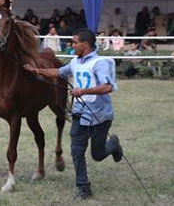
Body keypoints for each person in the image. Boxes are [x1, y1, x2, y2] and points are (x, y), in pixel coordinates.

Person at [23, 29, 123, 200]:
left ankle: (113, 145)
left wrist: (83, 91)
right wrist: (36, 70)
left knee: (97, 155)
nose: (72, 45)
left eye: (75, 42)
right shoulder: (75, 62)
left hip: (100, 115)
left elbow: (108, 87)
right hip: (80, 114)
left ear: (85, 44)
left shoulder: (100, 63)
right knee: (77, 151)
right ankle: (83, 188)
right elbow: (58, 72)